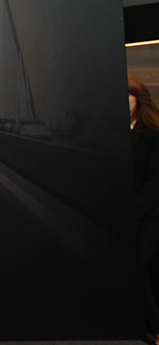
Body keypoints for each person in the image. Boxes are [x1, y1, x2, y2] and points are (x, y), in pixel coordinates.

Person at [130, 74, 159, 343]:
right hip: (125, 217)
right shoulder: (115, 135)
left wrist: (131, 210)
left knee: (135, 265)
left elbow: (154, 183)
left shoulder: (152, 134)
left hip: (149, 219)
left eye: (127, 95)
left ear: (138, 99)